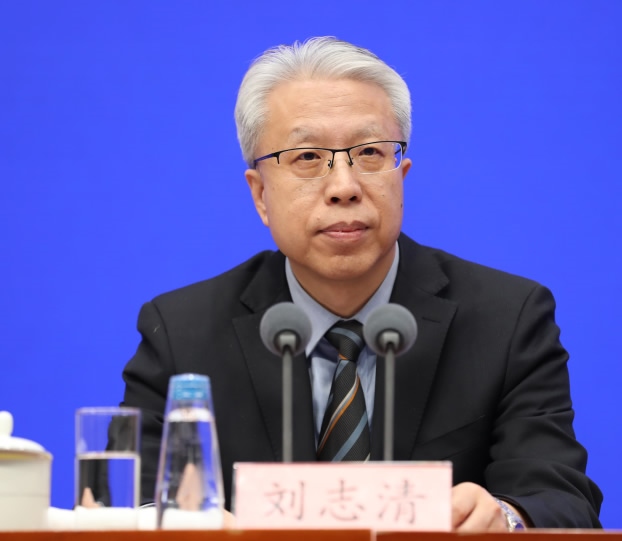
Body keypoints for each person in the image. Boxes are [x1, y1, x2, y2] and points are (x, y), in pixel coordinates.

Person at [121, 37, 602, 530]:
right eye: (307, 157)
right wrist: (185, 527)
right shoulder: (181, 334)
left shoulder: (507, 319)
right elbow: (133, 507)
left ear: (401, 175)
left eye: (370, 152)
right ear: (260, 194)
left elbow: (561, 500)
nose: (344, 187)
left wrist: (504, 518)